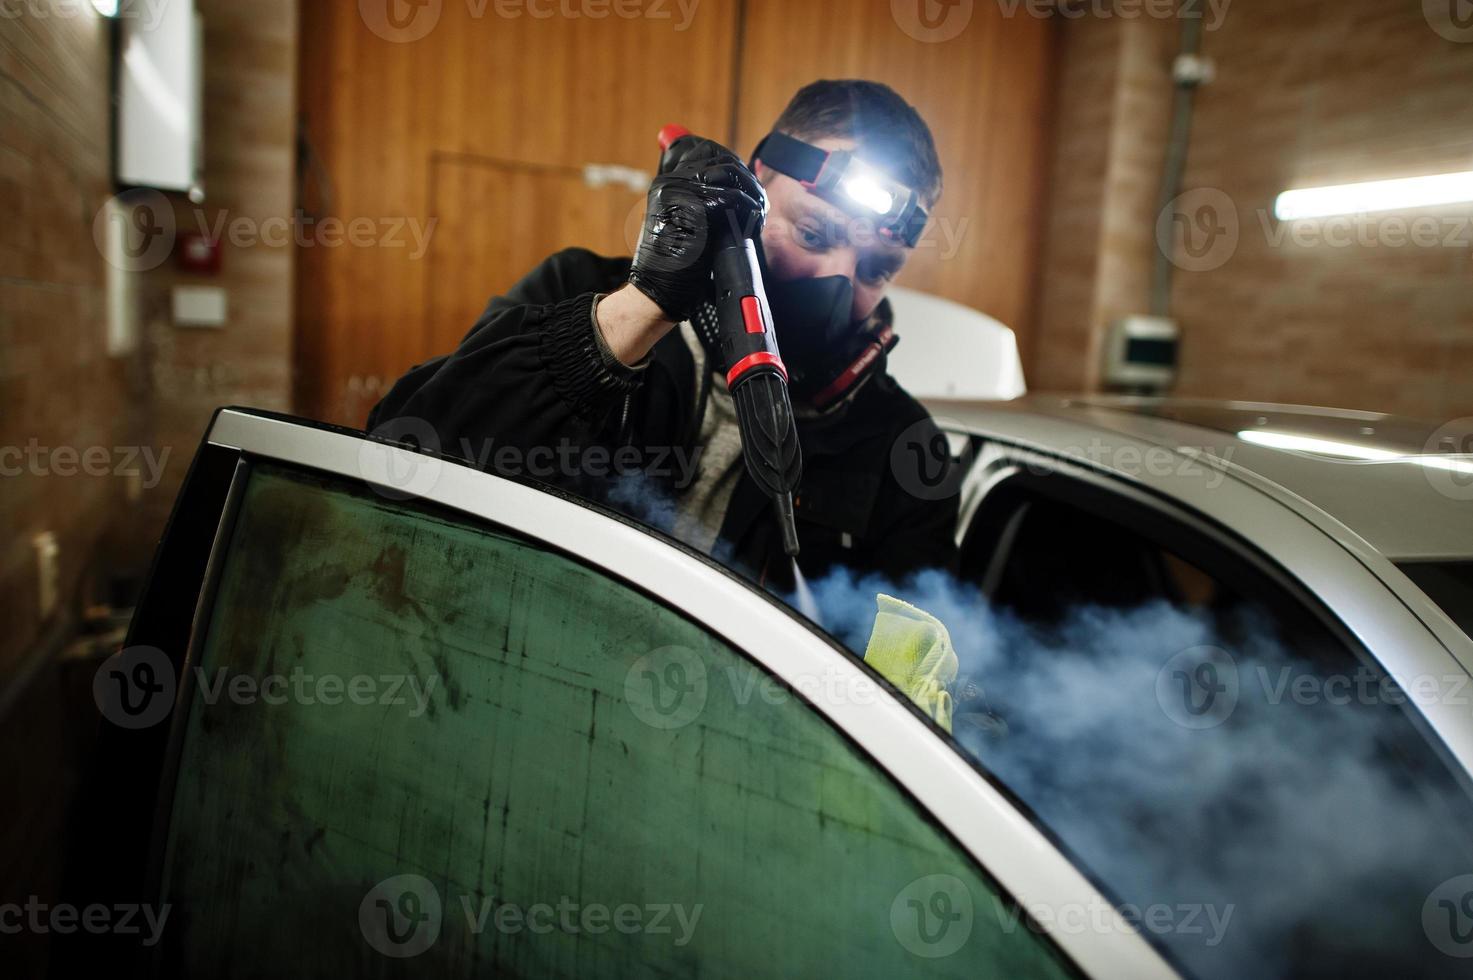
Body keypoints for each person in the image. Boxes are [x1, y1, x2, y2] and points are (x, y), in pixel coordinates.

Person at [369, 79, 958, 591]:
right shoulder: (576, 288)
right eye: (812, 234)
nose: (836, 279)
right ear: (756, 187)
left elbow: (900, 682)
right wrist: (643, 306)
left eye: (878, 269)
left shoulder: (903, 447)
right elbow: (403, 464)